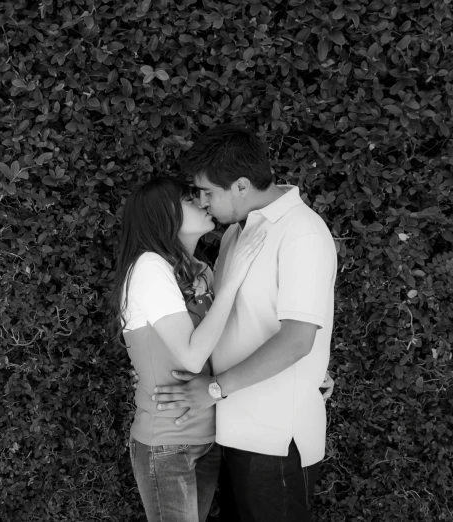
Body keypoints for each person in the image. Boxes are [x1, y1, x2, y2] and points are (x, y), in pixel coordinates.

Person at [151, 124, 338, 522]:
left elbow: (297, 340)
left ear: (239, 185)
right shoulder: (239, 231)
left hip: (274, 438)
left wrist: (215, 389)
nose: (203, 203)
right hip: (233, 429)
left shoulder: (301, 233)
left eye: (208, 193)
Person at [109, 177, 266, 522]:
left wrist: (305, 371)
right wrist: (233, 279)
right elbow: (192, 356)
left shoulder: (200, 272)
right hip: (167, 443)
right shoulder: (149, 267)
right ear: (166, 214)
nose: (203, 203)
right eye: (190, 200)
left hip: (209, 439)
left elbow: (231, 338)